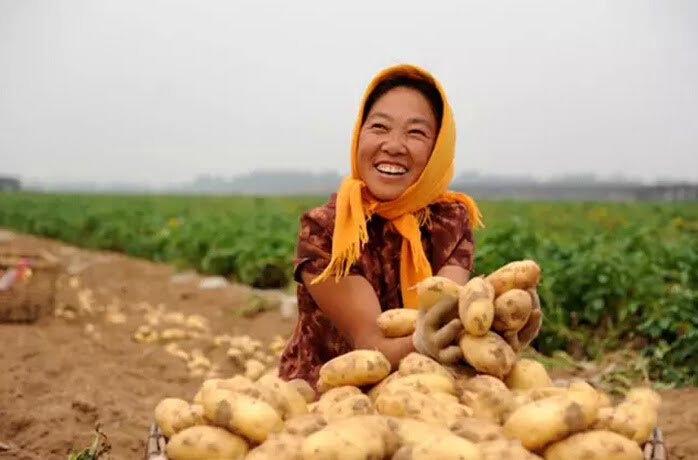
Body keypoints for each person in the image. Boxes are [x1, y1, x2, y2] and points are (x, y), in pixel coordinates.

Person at [278, 63, 541, 391]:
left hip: (429, 390)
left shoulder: (450, 222)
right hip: (326, 401)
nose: (393, 145)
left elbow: (446, 316)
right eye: (379, 127)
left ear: (437, 150)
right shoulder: (326, 230)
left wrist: (497, 330)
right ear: (359, 134)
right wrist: (431, 342)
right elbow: (370, 346)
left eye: (415, 132)